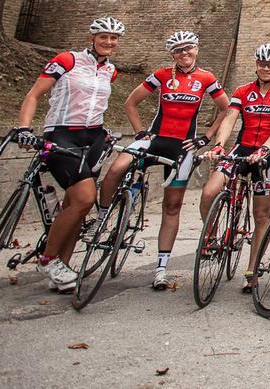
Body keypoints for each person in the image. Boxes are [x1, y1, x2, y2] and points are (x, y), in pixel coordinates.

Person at [98, 30, 230, 291]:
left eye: (188, 48)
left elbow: (227, 108)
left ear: (196, 49)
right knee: (116, 169)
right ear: (172, 54)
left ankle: (160, 268)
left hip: (182, 147)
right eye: (179, 50)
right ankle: (101, 220)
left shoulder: (206, 78)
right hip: (154, 138)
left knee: (172, 206)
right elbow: (130, 103)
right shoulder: (161, 75)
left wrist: (207, 137)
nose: (184, 54)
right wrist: (139, 132)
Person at [13, 16, 123, 292]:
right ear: (92, 38)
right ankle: (47, 259)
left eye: (114, 38)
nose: (109, 42)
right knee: (86, 198)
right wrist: (24, 128)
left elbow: (95, 104)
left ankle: (62, 268)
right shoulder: (67, 60)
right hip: (62, 134)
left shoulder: (111, 70)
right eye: (103, 37)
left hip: (94, 136)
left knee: (75, 206)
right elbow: (33, 95)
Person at [198, 43, 270, 293]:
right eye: (263, 63)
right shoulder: (243, 91)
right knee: (210, 192)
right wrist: (220, 145)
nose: (266, 68)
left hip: (268, 152)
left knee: (261, 216)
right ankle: (210, 238)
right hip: (242, 147)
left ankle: (252, 270)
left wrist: (265, 148)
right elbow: (230, 118)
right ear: (256, 64)